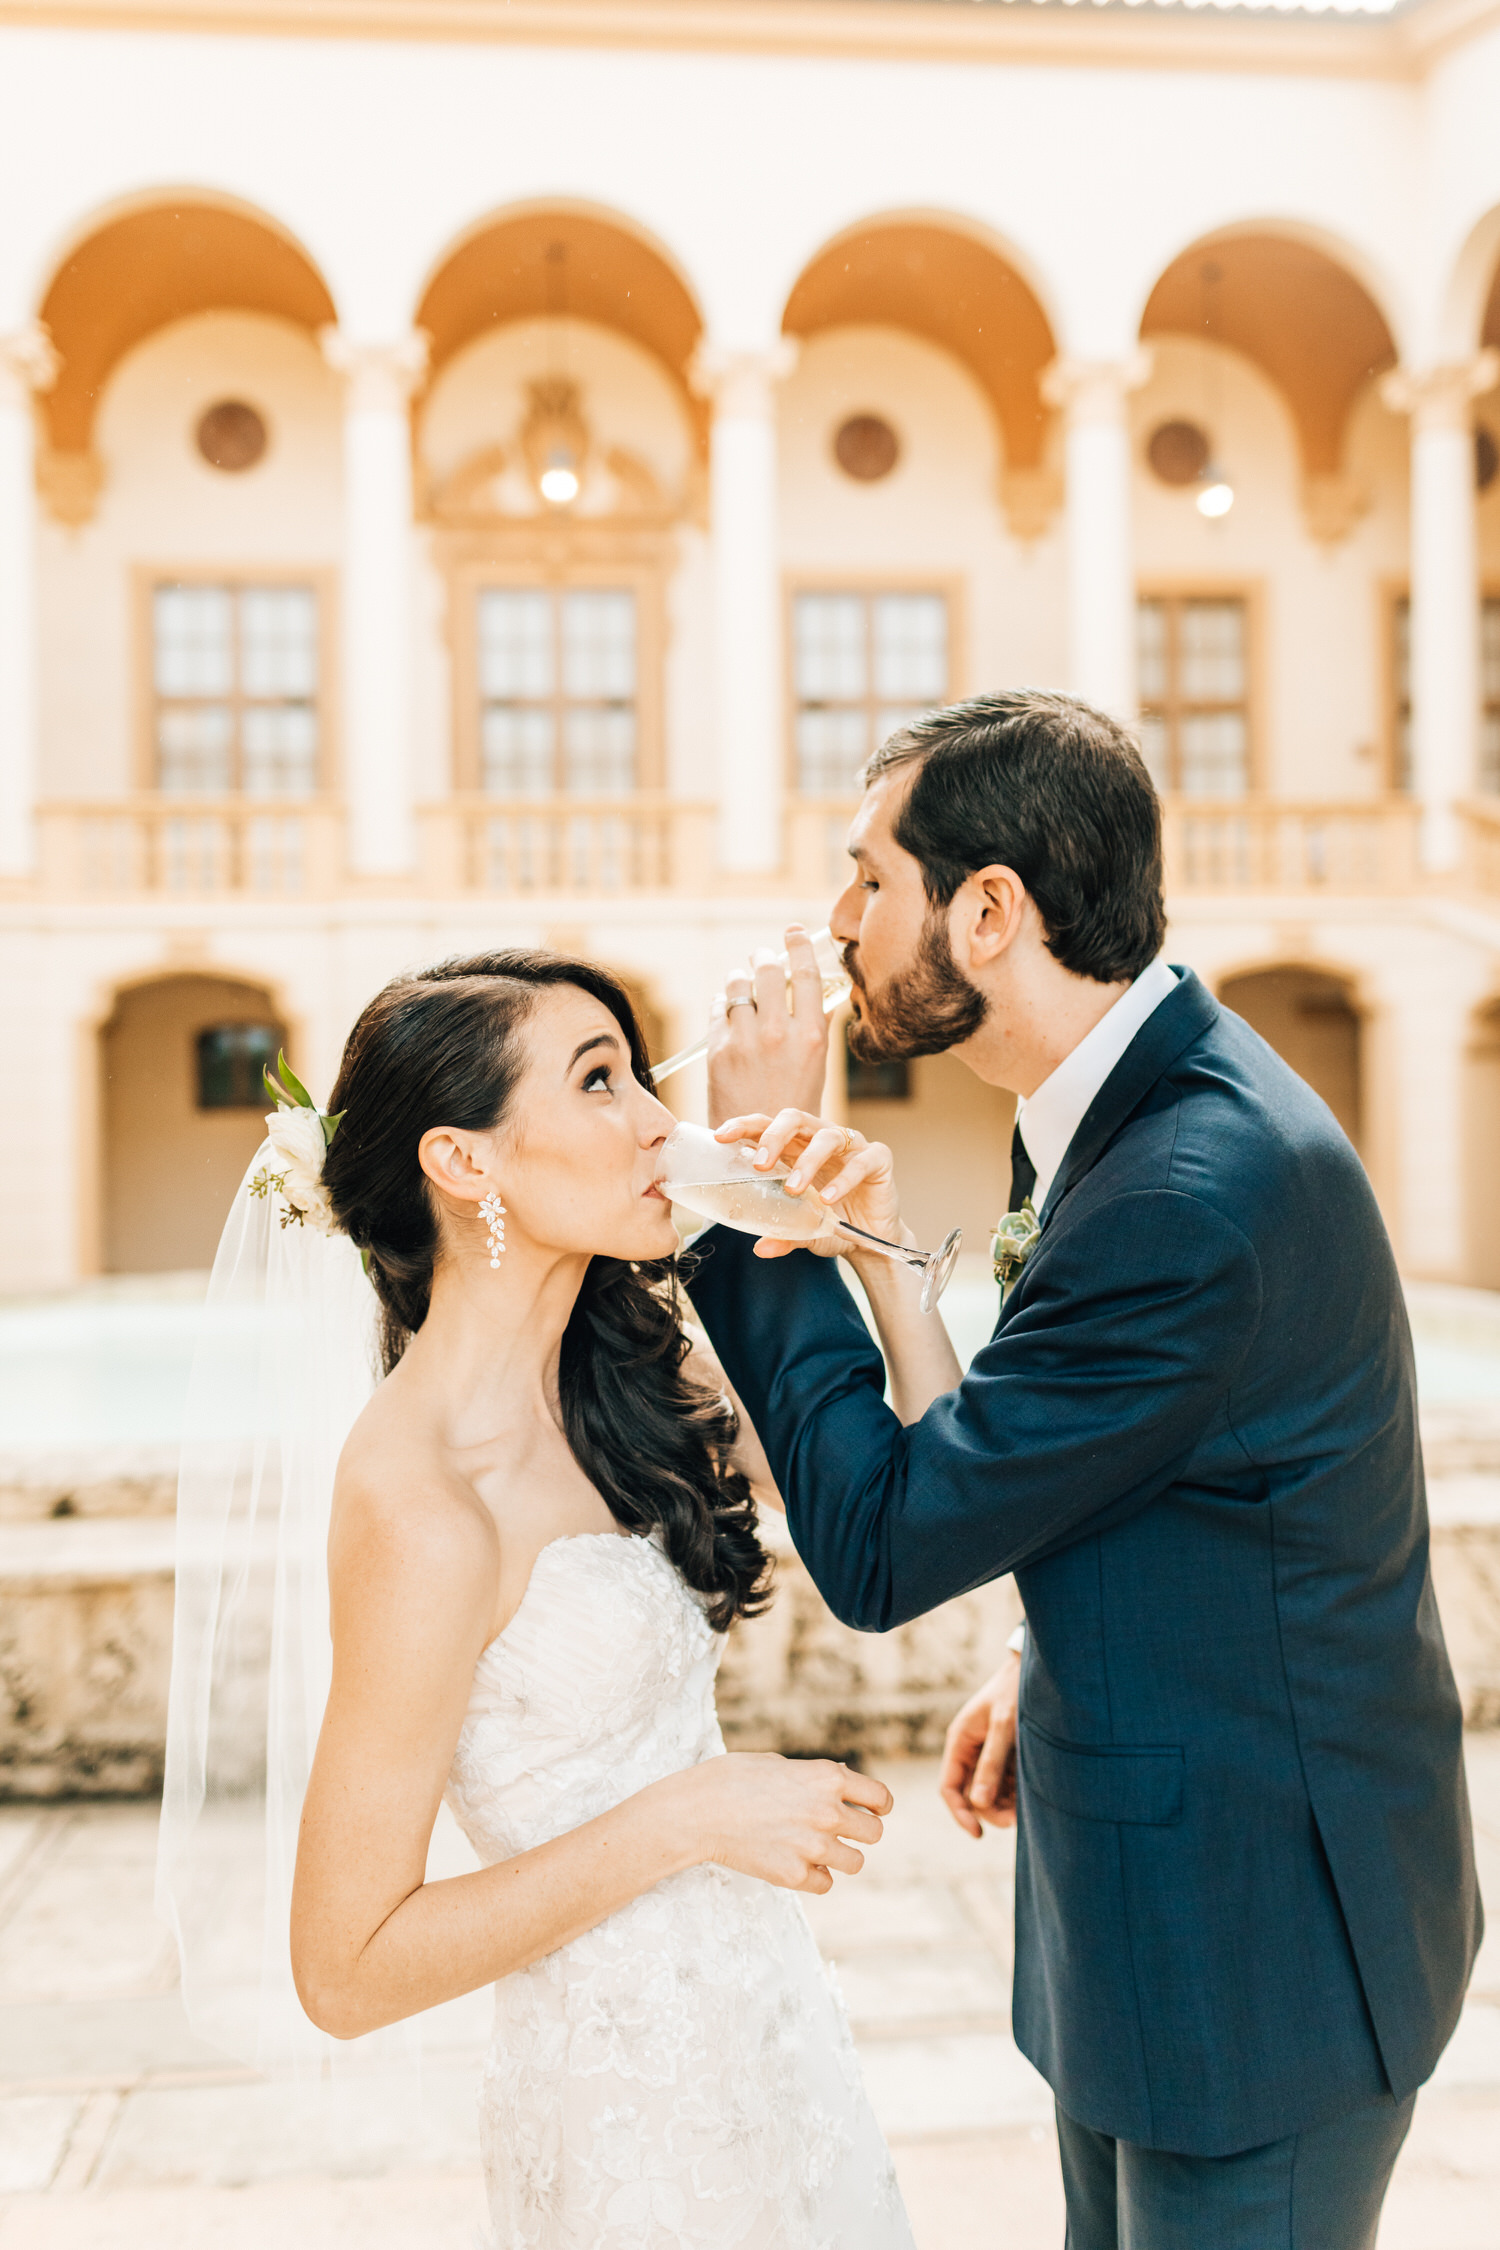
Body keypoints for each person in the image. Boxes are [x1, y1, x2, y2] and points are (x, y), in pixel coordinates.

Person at [689, 690, 1481, 2250]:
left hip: (1261, 1963)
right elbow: (1117, 1444)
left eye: (867, 880)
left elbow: (888, 1539)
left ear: (987, 911)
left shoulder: (1190, 1182)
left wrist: (751, 1182)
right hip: (1154, 1904)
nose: (836, 925)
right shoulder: (1119, 1102)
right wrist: (1045, 1634)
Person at [172, 948, 915, 2250]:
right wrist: (689, 1813)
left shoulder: (617, 1391)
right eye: (600, 1081)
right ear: (465, 1162)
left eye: (636, 1073)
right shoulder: (420, 1499)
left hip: (768, 2034)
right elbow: (344, 1965)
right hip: (625, 2114)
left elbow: (914, 1510)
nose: (654, 1119)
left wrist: (879, 1254)